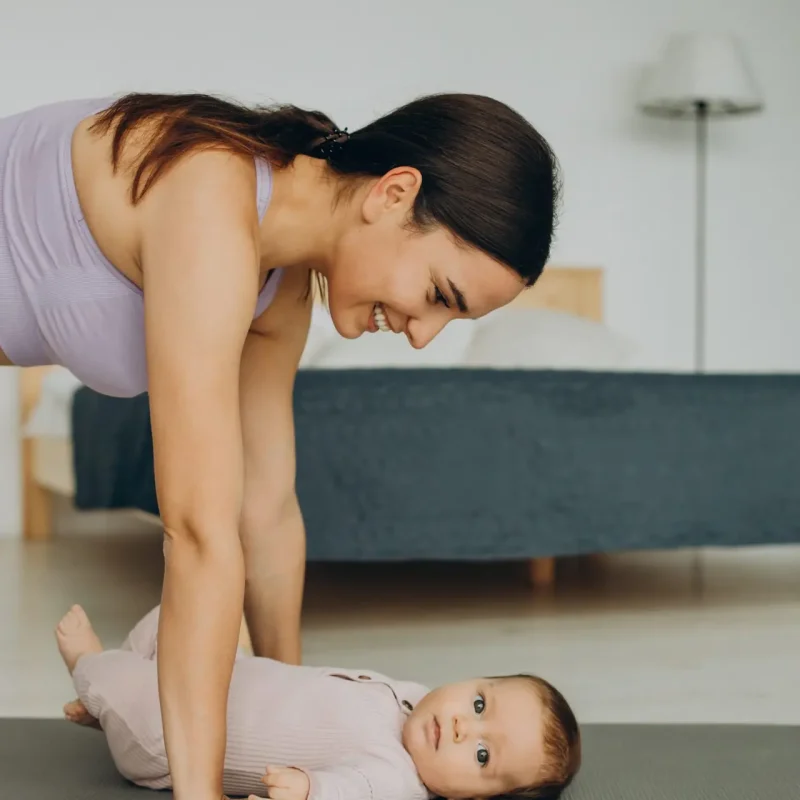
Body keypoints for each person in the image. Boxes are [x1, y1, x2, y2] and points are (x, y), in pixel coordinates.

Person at [0, 90, 560, 800]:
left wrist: (286, 704)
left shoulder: (281, 277)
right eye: (440, 295)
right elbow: (199, 532)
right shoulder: (209, 203)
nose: (423, 335)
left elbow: (264, 510)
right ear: (394, 193)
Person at [56, 604, 581, 800]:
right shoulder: (418, 702)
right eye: (481, 704)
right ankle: (112, 707)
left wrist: (308, 789)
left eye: (484, 757)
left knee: (125, 688)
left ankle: (90, 669)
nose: (466, 728)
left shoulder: (396, 779)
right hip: (224, 676)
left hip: (169, 742)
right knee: (194, 608)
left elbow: (350, 792)